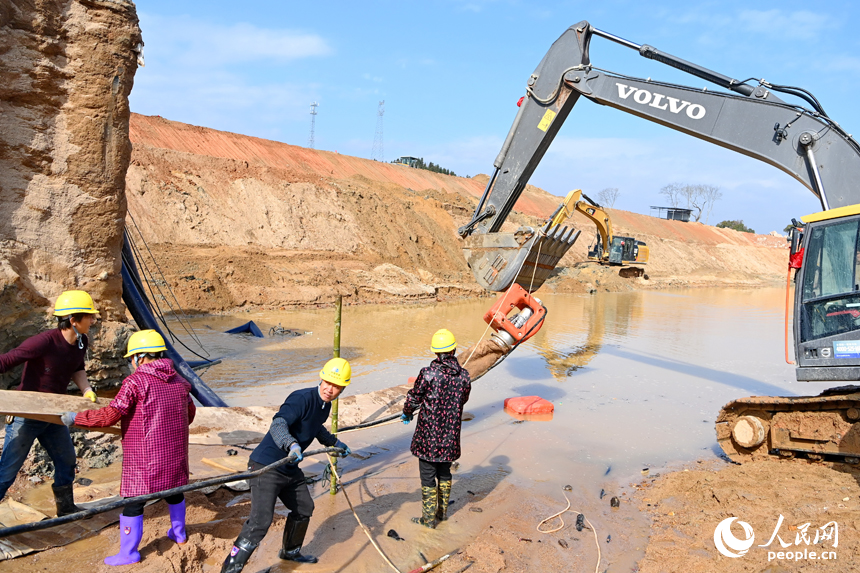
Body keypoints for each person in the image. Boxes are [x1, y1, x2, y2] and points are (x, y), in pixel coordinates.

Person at [62, 329, 196, 566]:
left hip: (144, 457)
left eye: (131, 359)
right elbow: (190, 414)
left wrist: (77, 418)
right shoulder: (180, 381)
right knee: (174, 492)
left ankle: (129, 553)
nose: (132, 364)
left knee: (133, 502)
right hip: (175, 454)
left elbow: (109, 415)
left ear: (140, 357)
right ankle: (179, 534)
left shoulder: (135, 382)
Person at [220, 358, 352, 573]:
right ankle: (230, 569)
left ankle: (290, 552)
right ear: (321, 377)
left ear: (343, 388)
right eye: (328, 382)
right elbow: (278, 423)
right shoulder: (301, 398)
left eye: (337, 386)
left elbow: (315, 427)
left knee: (304, 508)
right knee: (260, 523)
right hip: (266, 465)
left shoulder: (325, 405)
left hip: (290, 467)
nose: (330, 389)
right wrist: (291, 444)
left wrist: (335, 443)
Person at [0, 290, 100, 516]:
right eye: (89, 317)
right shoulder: (44, 342)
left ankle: (65, 509)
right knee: (7, 471)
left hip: (54, 414)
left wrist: (86, 390)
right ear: (73, 320)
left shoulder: (81, 341)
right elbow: (6, 361)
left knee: (66, 461)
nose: (92, 321)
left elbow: (77, 368)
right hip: (27, 414)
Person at [400, 328, 471, 529]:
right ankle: (442, 513)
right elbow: (463, 399)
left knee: (428, 475)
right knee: (445, 471)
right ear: (454, 349)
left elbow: (414, 397)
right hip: (450, 435)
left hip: (428, 437)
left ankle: (428, 519)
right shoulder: (464, 376)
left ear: (435, 352)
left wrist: (407, 412)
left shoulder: (428, 373)